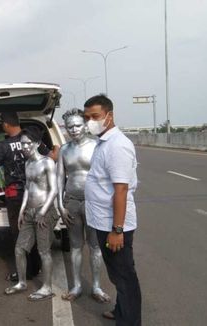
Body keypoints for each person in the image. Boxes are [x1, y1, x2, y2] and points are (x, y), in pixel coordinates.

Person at [0, 112, 57, 281]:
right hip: (38, 195)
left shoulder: (4, 146)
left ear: (5, 125)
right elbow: (53, 158)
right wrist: (57, 148)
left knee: (20, 234)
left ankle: (25, 272)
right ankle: (36, 268)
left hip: (16, 195)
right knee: (38, 233)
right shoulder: (32, 140)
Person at [84, 95, 141, 325]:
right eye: (87, 117)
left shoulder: (118, 146)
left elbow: (121, 190)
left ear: (109, 115)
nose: (90, 121)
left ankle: (129, 321)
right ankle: (120, 311)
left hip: (114, 225)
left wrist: (117, 230)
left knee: (125, 276)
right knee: (118, 275)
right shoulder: (103, 142)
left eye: (95, 116)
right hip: (103, 222)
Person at [57, 109, 110, 303]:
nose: (74, 129)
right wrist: (59, 205)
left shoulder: (97, 146)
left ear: (85, 125)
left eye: (77, 125)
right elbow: (59, 178)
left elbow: (107, 177)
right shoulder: (64, 149)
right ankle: (77, 285)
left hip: (93, 202)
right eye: (70, 126)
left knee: (95, 246)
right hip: (71, 202)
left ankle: (96, 286)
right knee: (75, 246)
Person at [4, 127, 58, 301]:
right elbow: (28, 188)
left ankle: (47, 287)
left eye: (28, 144)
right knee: (19, 248)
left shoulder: (47, 163)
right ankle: (21, 282)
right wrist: (21, 211)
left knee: (44, 251)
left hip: (45, 210)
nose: (24, 147)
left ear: (36, 143)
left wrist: (42, 212)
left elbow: (54, 190)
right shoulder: (28, 164)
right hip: (29, 211)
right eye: (22, 144)